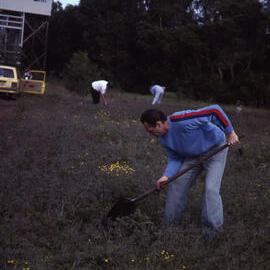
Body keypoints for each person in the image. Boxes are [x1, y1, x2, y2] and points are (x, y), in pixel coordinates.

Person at [140, 104, 239, 240]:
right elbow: (175, 157)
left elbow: (214, 110)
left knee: (210, 189)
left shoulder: (181, 120)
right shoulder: (163, 139)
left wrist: (230, 132)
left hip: (215, 150)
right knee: (175, 185)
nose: (151, 135)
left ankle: (212, 234)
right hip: (192, 157)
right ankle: (169, 231)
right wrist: (166, 176)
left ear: (158, 124)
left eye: (150, 131)